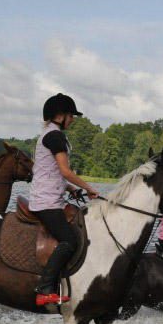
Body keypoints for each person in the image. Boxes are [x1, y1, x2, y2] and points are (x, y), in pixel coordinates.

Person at [31, 93, 100, 306]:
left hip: (54, 197)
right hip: (46, 201)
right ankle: (44, 289)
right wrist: (87, 187)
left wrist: (70, 189)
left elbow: (49, 171)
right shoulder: (55, 137)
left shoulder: (53, 134)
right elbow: (64, 170)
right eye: (71, 115)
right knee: (70, 240)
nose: (73, 119)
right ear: (59, 115)